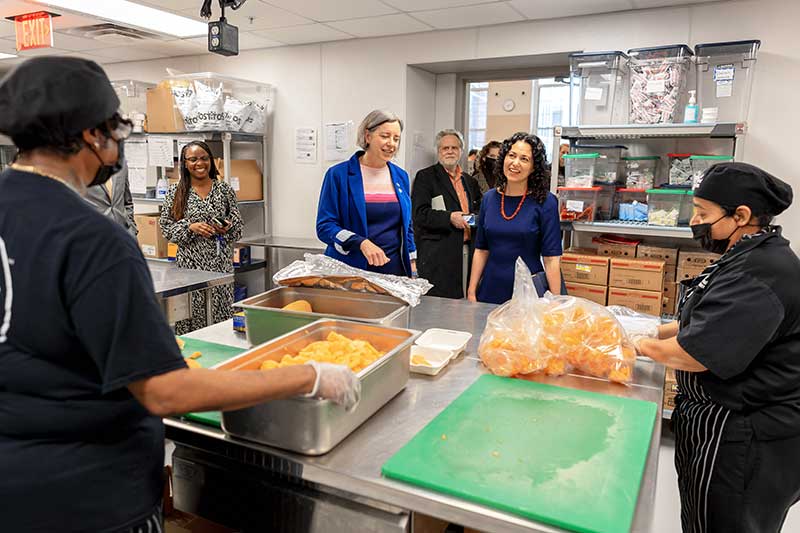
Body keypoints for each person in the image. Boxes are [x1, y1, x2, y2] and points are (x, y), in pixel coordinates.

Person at [0, 57, 359, 533]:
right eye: (117, 126)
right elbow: (165, 391)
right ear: (91, 134)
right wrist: (307, 376)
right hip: (87, 497)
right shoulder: (91, 239)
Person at [633, 162, 800, 533]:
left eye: (703, 213)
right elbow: (705, 319)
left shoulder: (763, 274)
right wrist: (647, 327)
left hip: (744, 437)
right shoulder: (744, 255)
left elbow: (694, 352)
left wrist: (636, 344)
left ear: (740, 216)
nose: (694, 221)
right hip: (718, 423)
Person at [316, 109, 417, 277]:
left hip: (392, 272)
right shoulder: (338, 175)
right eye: (385, 136)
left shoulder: (401, 176)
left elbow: (407, 227)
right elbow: (325, 226)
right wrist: (360, 242)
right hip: (350, 270)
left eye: (396, 138)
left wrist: (412, 265)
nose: (391, 143)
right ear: (368, 136)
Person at [467, 132, 562, 304]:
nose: (515, 163)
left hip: (529, 294)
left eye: (524, 159)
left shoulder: (546, 202)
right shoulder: (489, 198)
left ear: (534, 167)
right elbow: (481, 250)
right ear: (503, 158)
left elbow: (551, 259)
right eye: (511, 155)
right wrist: (472, 291)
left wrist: (555, 303)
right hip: (489, 291)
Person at [160, 141, 242, 334]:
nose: (200, 163)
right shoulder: (176, 192)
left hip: (220, 266)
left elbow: (238, 228)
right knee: (190, 318)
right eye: (193, 159)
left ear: (211, 161)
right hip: (189, 268)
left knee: (221, 317)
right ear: (185, 163)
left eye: (204, 158)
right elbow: (166, 228)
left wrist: (226, 228)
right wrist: (191, 227)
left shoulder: (224, 190)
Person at [411, 129, 481, 299]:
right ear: (438, 151)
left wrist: (475, 218)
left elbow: (480, 210)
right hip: (438, 256)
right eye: (445, 148)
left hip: (467, 253)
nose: (450, 151)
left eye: (454, 148)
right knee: (440, 307)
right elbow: (419, 214)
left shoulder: (470, 181)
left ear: (461, 151)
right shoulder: (425, 177)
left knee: (466, 302)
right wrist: (449, 217)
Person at [85, 163, 138, 237]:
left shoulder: (121, 165)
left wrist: (132, 228)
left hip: (125, 234)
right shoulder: (82, 167)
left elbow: (127, 201)